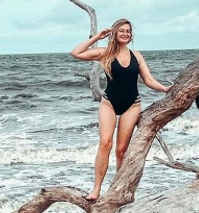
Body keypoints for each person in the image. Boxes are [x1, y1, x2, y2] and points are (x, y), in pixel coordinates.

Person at [70, 19, 171, 200]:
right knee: (105, 143)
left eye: (128, 31)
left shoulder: (137, 56)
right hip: (109, 103)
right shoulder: (105, 53)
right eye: (122, 31)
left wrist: (164, 89)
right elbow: (76, 53)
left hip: (132, 105)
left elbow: (148, 80)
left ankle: (118, 189)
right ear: (115, 33)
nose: (125, 33)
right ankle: (96, 189)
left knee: (121, 150)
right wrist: (97, 37)